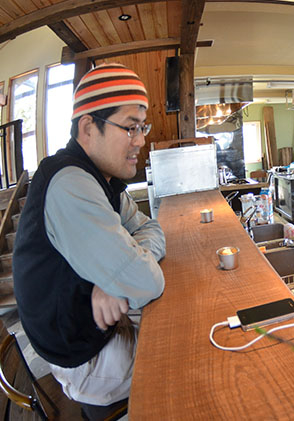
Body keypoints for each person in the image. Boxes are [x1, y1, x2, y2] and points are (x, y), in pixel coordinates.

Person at [13, 63, 165, 419]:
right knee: (188, 358)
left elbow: (152, 229)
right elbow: (148, 281)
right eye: (130, 127)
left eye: (142, 127)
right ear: (87, 127)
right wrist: (125, 275)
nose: (141, 140)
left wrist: (114, 281)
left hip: (101, 329)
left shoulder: (103, 179)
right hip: (85, 359)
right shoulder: (71, 183)